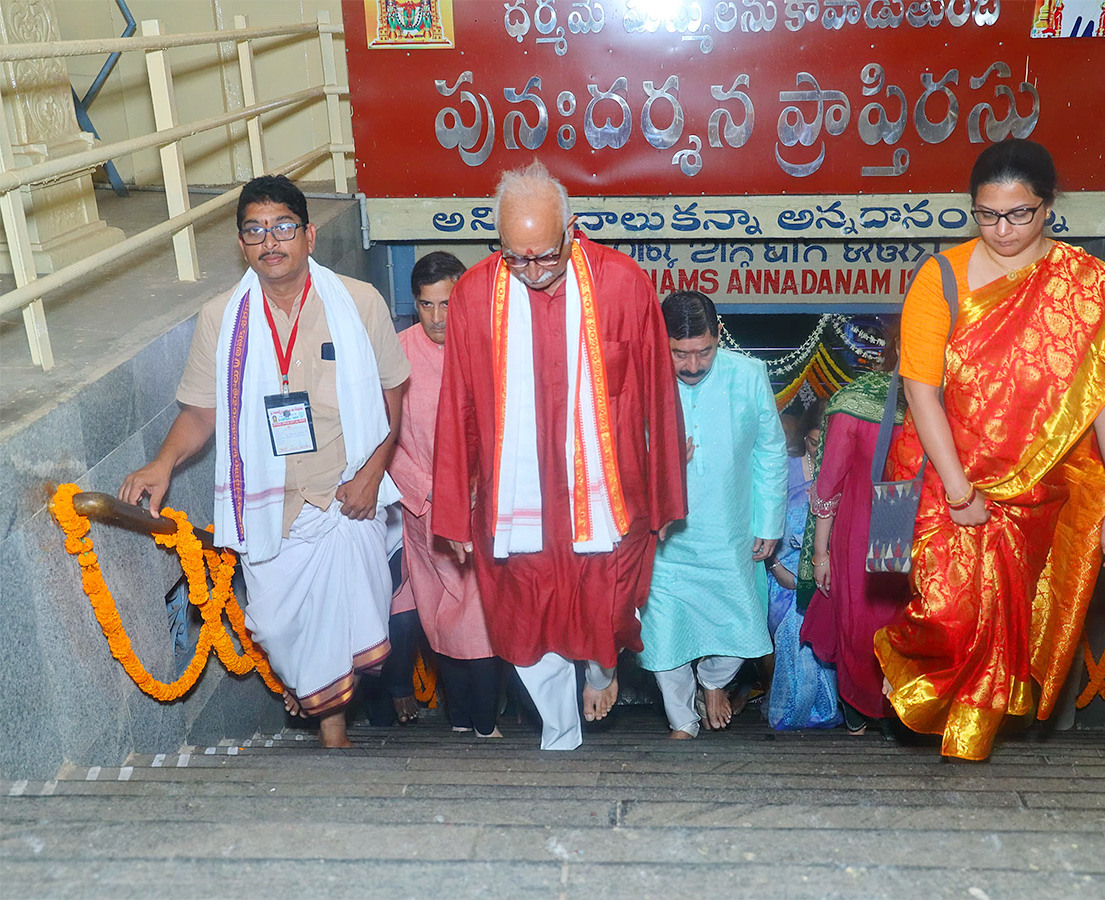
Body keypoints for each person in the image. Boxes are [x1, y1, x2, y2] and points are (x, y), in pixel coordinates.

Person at [875, 139, 1105, 761]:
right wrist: (961, 491)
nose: (1002, 228)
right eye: (986, 214)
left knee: (1002, 625)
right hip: (933, 473)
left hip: (1035, 483)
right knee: (941, 612)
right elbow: (919, 391)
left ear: (1049, 208)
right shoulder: (940, 277)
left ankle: (966, 745)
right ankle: (901, 681)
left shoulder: (1087, 285)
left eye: (1019, 213)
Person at [119, 175, 410, 749]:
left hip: (346, 495)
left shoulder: (358, 302)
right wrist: (162, 464)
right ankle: (322, 703)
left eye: (282, 228)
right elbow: (201, 411)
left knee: (354, 617)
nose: (269, 241)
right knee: (276, 627)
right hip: (270, 507)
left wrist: (374, 475)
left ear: (309, 235)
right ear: (242, 243)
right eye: (255, 231)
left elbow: (391, 393)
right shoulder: (222, 319)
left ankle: (334, 734)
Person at [431, 160, 688, 751]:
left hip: (605, 500)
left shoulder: (622, 284)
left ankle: (601, 668)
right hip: (519, 508)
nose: (532, 272)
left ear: (572, 231)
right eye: (516, 258)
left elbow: (657, 394)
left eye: (546, 255)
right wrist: (453, 509)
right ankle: (559, 729)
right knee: (521, 615)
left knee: (609, 603)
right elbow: (459, 407)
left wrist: (668, 494)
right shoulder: (475, 294)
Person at [636, 291, 787, 738]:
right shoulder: (640, 380)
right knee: (665, 628)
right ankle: (681, 718)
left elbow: (770, 451)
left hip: (730, 528)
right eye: (680, 353)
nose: (693, 365)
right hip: (665, 534)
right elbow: (615, 458)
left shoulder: (748, 374)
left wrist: (769, 521)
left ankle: (714, 681)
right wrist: (657, 463)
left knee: (741, 622)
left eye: (703, 351)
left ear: (718, 337)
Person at [388, 251, 503, 738]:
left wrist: (476, 491)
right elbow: (383, 438)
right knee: (438, 618)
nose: (437, 317)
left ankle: (485, 722)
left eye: (447, 303)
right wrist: (430, 491)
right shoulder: (396, 353)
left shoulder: (490, 349)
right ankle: (460, 720)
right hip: (423, 514)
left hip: (481, 512)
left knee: (478, 618)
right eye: (426, 305)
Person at [796, 363, 910, 735]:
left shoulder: (855, 404)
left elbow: (829, 485)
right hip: (886, 515)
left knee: (884, 621)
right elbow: (829, 486)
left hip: (891, 518)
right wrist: (820, 553)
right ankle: (872, 706)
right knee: (872, 621)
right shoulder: (859, 404)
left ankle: (882, 707)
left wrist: (820, 553)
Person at [763, 401, 842, 731]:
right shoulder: (785, 467)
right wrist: (777, 566)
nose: (818, 448)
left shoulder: (842, 468)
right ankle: (788, 705)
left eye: (826, 440)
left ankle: (824, 707)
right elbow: (764, 522)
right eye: (812, 440)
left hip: (828, 569)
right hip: (781, 568)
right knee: (793, 617)